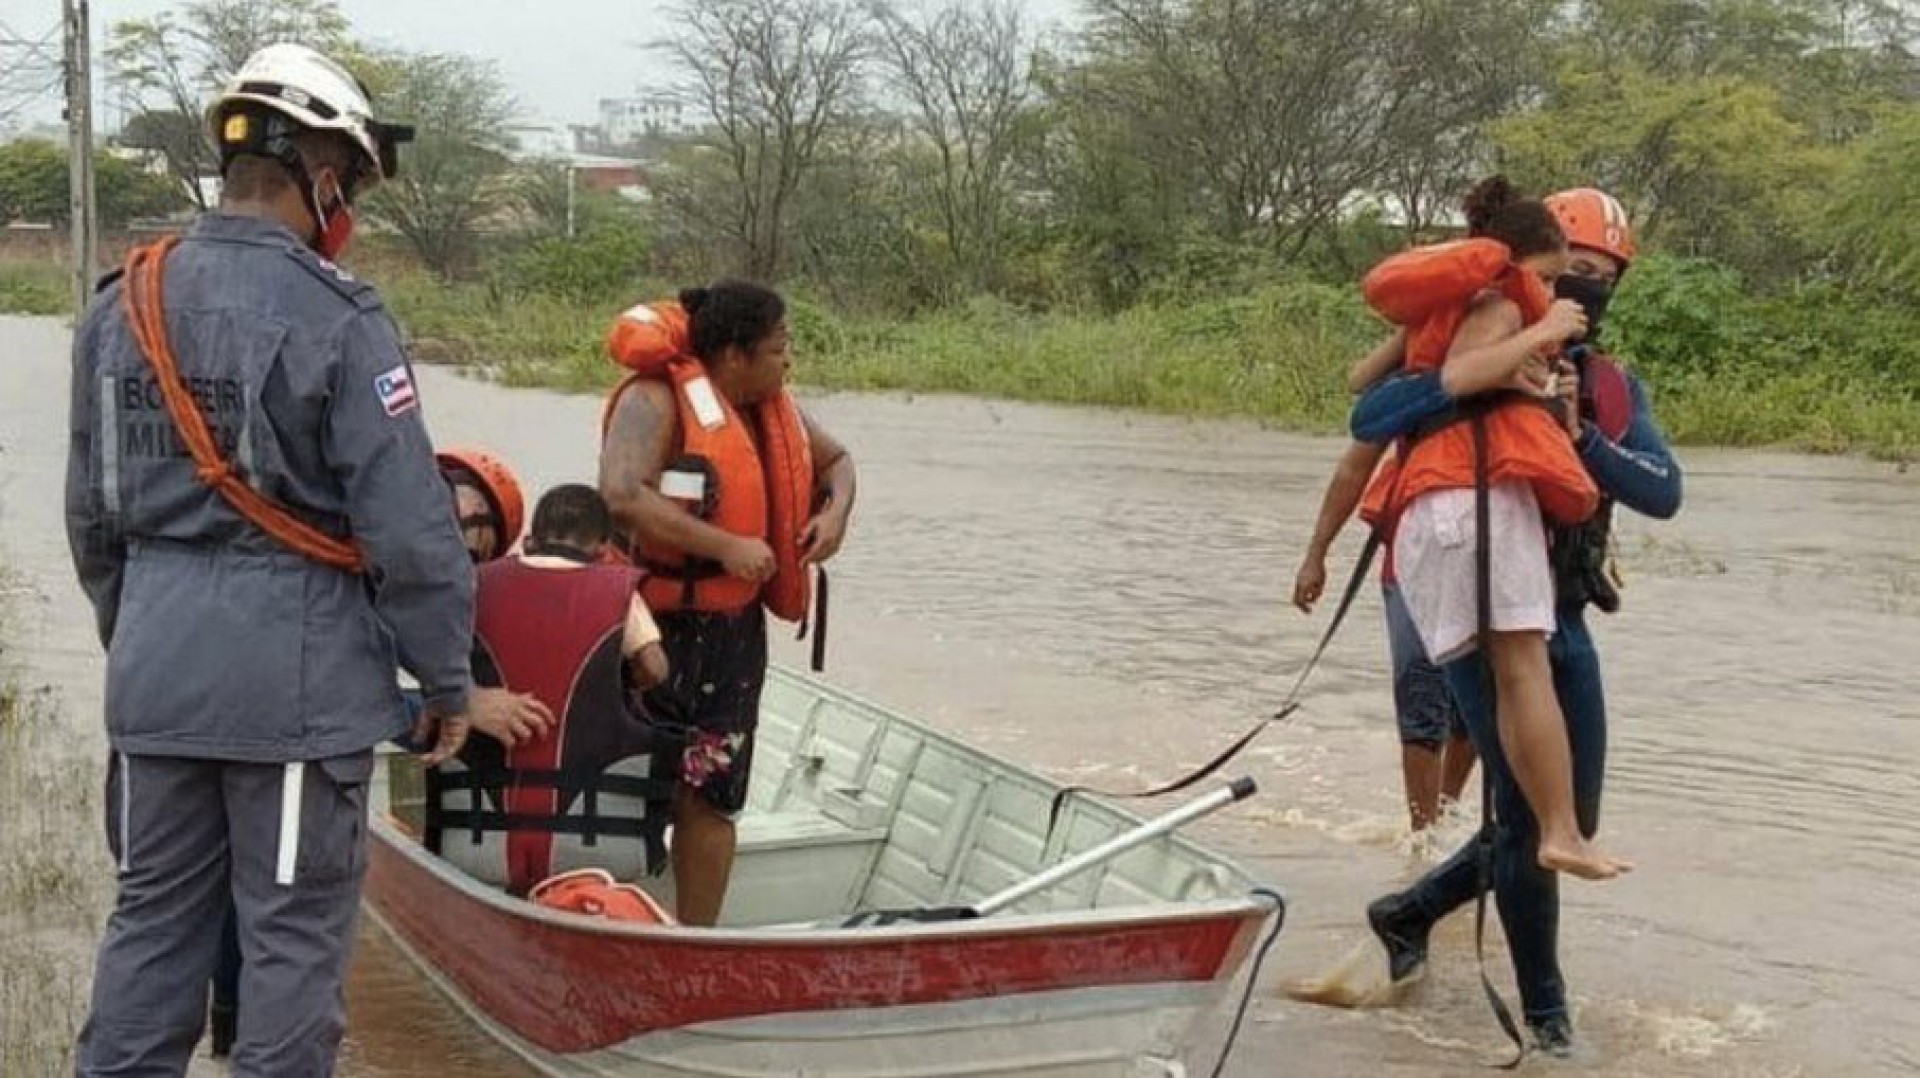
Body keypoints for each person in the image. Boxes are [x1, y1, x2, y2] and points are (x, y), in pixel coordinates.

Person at [64, 43, 473, 1077]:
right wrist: (445, 678)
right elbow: (411, 530)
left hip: (154, 669)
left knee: (151, 925)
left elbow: (91, 519)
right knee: (290, 941)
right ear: (323, 176)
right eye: (354, 187)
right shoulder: (340, 317)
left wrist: (141, 634)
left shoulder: (120, 305)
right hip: (294, 687)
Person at [1359, 187, 1683, 1056]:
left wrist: (1579, 437)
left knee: (1568, 814)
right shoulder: (1477, 335)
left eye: (1604, 276)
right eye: (1574, 270)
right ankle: (1548, 1020)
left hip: (1564, 613)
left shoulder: (1610, 387)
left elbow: (1664, 492)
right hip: (1485, 600)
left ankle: (1410, 909)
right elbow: (1371, 417)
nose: (1587, 287)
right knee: (1528, 821)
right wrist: (1497, 379)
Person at [204, 445, 549, 1058]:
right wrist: (454, 705)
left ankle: (230, 1036)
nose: (462, 561)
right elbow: (337, 681)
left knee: (194, 898)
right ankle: (250, 1040)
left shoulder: (346, 522)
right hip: (276, 721)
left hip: (199, 699)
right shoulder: (378, 551)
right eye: (469, 547)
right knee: (286, 903)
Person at [1355, 176, 1626, 883]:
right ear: (1518, 260)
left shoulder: (1447, 308)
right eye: (1555, 275)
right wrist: (1542, 330)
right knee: (1523, 670)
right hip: (1474, 499)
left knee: (1500, 682)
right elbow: (1462, 374)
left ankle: (1509, 831)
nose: (1562, 291)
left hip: (1431, 517)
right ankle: (1559, 829)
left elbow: (1362, 383)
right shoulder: (1500, 301)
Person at [598, 281, 857, 926]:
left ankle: (696, 936)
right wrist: (726, 545)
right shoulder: (654, 399)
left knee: (713, 794)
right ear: (734, 355)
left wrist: (834, 516)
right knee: (625, 783)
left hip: (733, 638)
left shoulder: (773, 410)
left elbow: (839, 463)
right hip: (647, 628)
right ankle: (605, 917)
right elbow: (620, 493)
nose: (787, 361)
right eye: (778, 348)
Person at [429, 483, 679, 896]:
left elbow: (432, 662)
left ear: (529, 540)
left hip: (477, 839)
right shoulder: (618, 593)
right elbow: (656, 668)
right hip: (593, 844)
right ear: (603, 551)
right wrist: (619, 681)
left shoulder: (472, 584)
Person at [1294, 333, 1477, 834]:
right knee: (1420, 689)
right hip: (1412, 559)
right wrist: (1316, 555)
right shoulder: (1410, 381)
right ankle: (1423, 832)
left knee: (1478, 700)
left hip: (1492, 557)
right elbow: (1354, 468)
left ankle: (1447, 807)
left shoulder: (1519, 365)